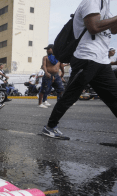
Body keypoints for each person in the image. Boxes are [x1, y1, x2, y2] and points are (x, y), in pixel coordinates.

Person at [42, 0, 117, 140]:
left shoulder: (106, 7)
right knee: (70, 96)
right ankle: (50, 127)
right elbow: (93, 27)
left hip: (102, 60)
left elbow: (113, 30)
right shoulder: (92, 1)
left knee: (114, 96)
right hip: (86, 58)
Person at [38, 45, 65, 110]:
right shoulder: (45, 57)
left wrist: (62, 74)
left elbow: (61, 66)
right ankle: (40, 103)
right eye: (47, 49)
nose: (47, 50)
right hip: (48, 75)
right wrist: (46, 73)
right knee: (44, 90)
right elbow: (44, 66)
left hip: (56, 75)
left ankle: (59, 103)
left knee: (61, 89)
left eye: (48, 49)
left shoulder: (58, 58)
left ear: (53, 49)